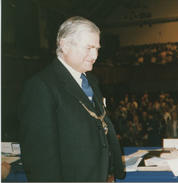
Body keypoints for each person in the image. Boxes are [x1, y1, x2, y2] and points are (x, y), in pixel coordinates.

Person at [18, 16, 125, 181]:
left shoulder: (91, 81)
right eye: (89, 48)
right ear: (65, 45)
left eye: (97, 48)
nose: (95, 55)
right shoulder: (41, 86)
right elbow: (40, 158)